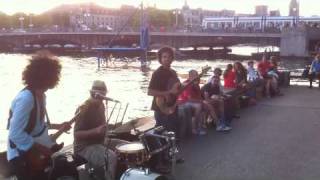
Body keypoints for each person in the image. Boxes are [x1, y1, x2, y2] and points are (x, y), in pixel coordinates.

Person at [6, 52, 71, 180]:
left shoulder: (41, 96)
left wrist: (58, 126)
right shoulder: (26, 99)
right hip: (21, 155)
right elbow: (15, 133)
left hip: (33, 152)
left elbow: (36, 126)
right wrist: (42, 149)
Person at [73, 80, 128, 180]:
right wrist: (96, 131)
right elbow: (76, 134)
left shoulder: (101, 106)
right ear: (92, 94)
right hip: (84, 147)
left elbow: (102, 125)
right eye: (99, 96)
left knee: (126, 147)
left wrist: (108, 129)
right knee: (110, 157)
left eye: (103, 96)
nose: (101, 99)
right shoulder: (83, 108)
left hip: (100, 142)